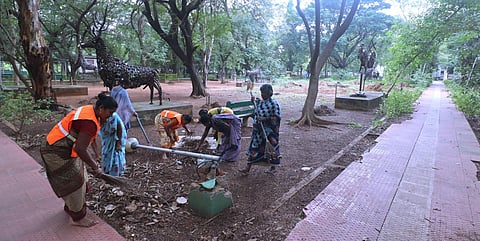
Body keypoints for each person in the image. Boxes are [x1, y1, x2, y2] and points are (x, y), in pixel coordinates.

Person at [40, 93, 118, 227]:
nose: (111, 116)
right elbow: (81, 149)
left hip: (65, 149)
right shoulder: (89, 122)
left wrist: (96, 154)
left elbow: (89, 137)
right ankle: (77, 218)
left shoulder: (91, 111)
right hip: (55, 151)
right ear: (101, 108)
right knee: (75, 183)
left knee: (82, 176)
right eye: (110, 113)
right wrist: (94, 166)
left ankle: (70, 207)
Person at [240, 84, 282, 174]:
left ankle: (273, 167)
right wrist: (253, 102)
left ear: (269, 93)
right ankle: (247, 168)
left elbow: (277, 118)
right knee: (254, 148)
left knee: (271, 149)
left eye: (264, 93)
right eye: (261, 93)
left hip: (269, 133)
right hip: (258, 132)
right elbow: (256, 112)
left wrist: (265, 119)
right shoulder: (261, 102)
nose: (262, 94)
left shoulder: (274, 104)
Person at [98, 112, 127, 176]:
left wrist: (118, 142)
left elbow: (119, 127)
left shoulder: (113, 116)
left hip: (115, 138)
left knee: (115, 156)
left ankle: (116, 174)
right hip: (106, 139)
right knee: (106, 153)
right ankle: (107, 170)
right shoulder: (96, 117)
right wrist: (96, 154)